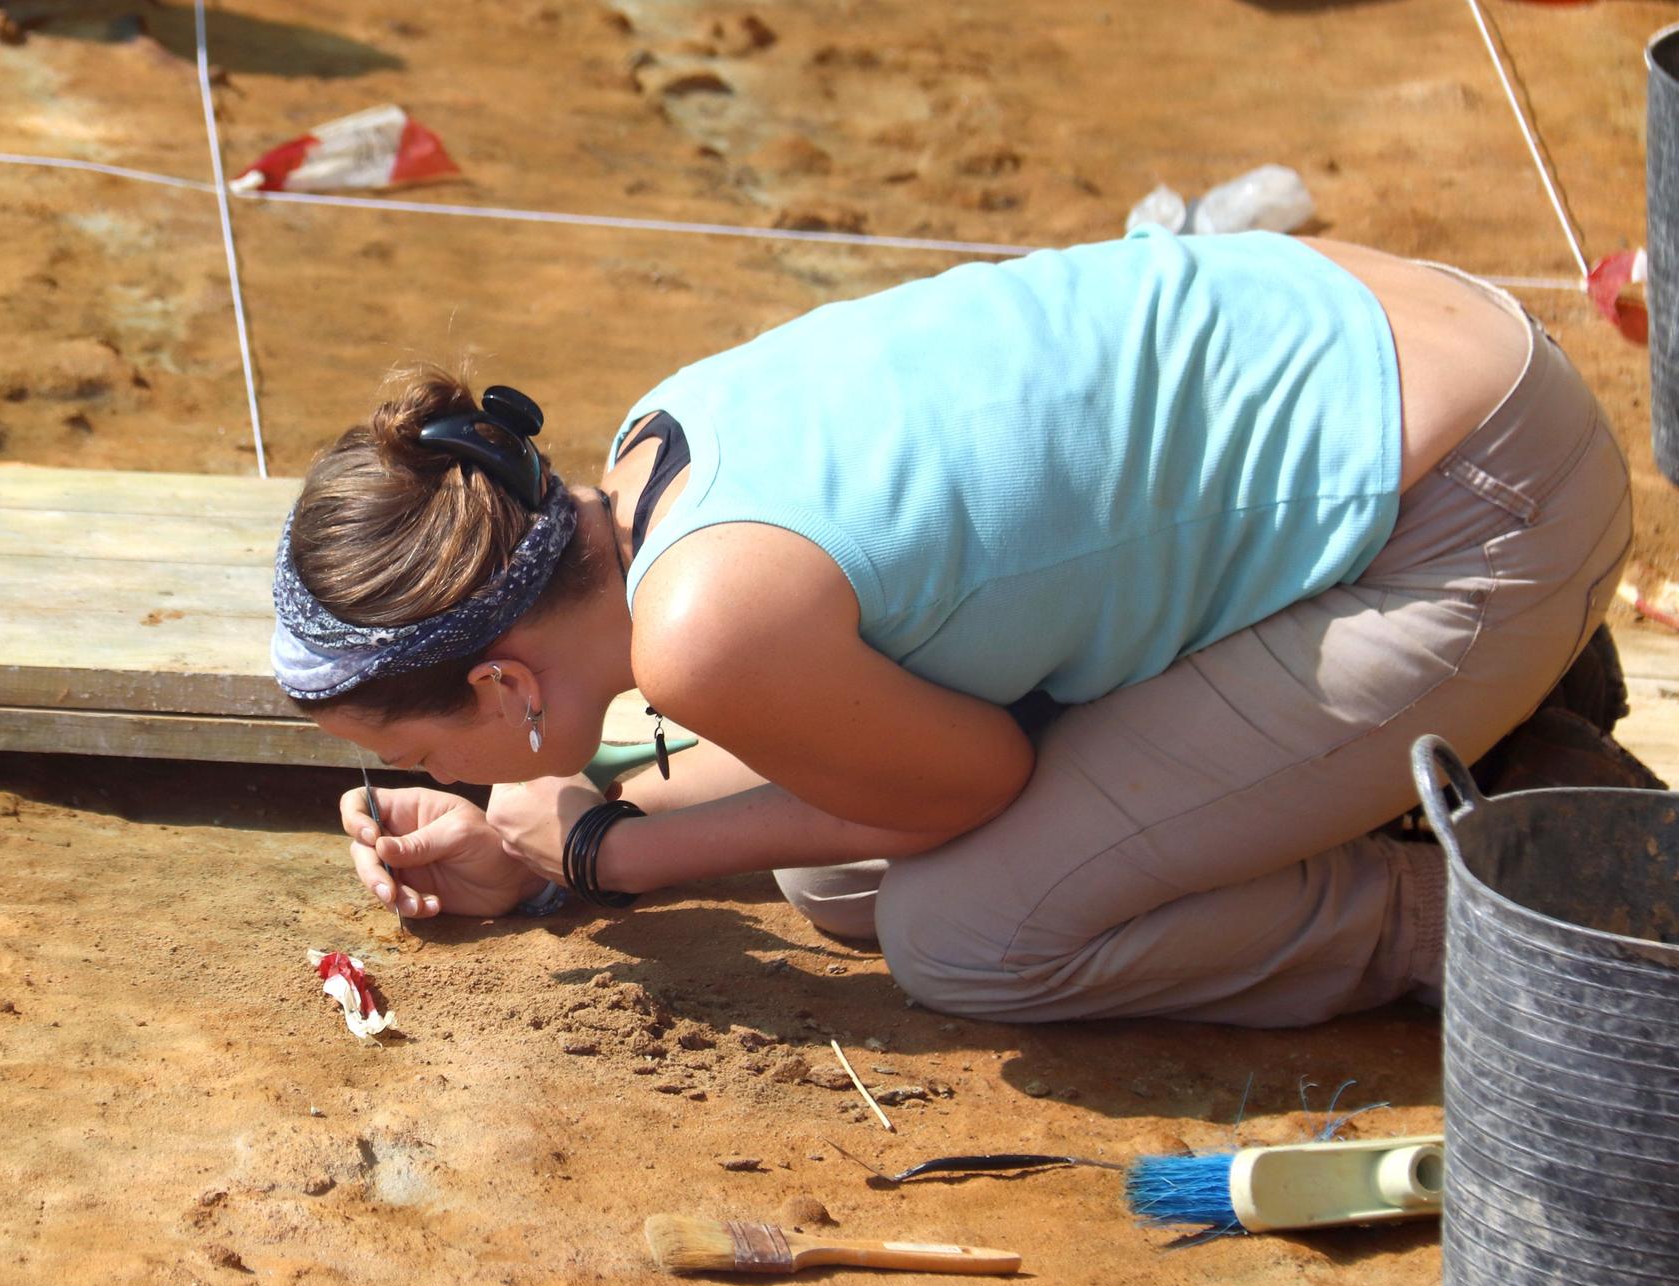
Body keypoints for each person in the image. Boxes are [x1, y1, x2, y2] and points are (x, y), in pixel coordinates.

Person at [270, 225, 1647, 1028]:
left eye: (432, 748)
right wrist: (571, 826)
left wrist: (601, 851)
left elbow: (958, 793)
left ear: (506, 677)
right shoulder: (655, 453)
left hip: (1477, 511)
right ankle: (1455, 744)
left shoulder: (702, 624)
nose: (447, 780)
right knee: (833, 882)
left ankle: (1490, 912)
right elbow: (846, 779)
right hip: (1422, 352)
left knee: (973, 938)